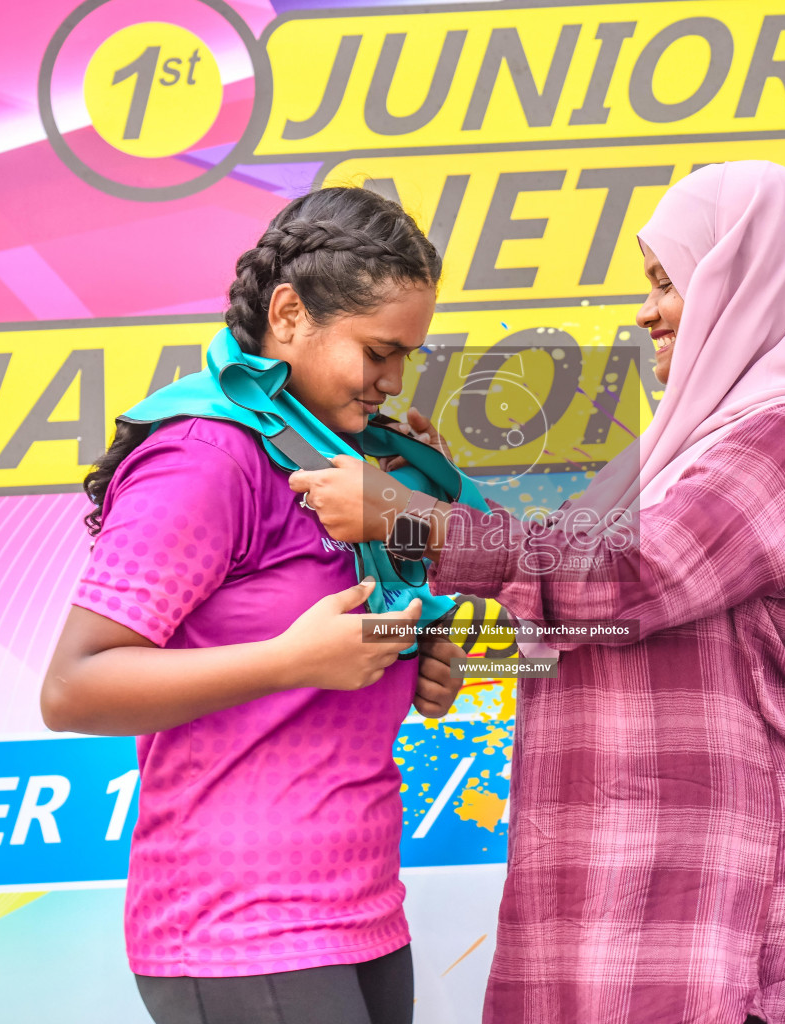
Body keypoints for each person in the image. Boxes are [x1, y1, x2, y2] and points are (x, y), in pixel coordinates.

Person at [288, 161, 785, 1024]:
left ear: (745, 282)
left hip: (747, 878)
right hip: (626, 869)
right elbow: (578, 623)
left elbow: (633, 576)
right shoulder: (677, 454)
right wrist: (446, 618)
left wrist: (410, 518)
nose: (645, 310)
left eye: (668, 282)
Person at [39, 186, 468, 1024]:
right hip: (240, 927)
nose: (393, 379)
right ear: (288, 314)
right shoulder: (207, 456)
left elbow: (335, 646)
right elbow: (73, 687)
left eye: (407, 356)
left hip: (364, 911)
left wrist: (415, 655)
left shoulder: (353, 464)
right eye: (379, 349)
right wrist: (292, 661)